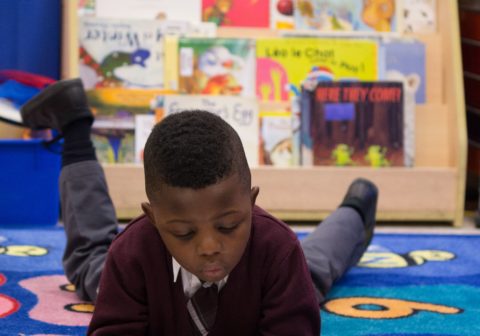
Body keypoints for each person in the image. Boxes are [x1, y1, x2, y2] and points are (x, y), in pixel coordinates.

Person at [21, 78, 378, 335]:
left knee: (311, 266)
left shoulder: (277, 253)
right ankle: (76, 129)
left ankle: (355, 211)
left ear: (252, 204)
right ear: (154, 219)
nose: (209, 247)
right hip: (140, 268)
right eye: (183, 232)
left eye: (228, 226)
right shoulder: (131, 257)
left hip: (272, 267)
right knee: (91, 263)